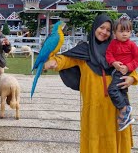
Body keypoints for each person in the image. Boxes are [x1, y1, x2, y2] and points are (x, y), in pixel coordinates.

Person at [44, 14, 138, 152]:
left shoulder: (116, 49)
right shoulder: (84, 51)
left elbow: (130, 65)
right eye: (101, 28)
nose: (104, 32)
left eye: (108, 30)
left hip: (115, 106)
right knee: (94, 136)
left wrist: (132, 78)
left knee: (114, 136)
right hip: (93, 105)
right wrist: (53, 62)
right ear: (95, 27)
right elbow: (66, 60)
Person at [105, 18, 138, 131]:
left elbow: (137, 58)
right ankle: (126, 117)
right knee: (122, 91)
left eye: (128, 31)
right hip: (117, 69)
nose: (125, 34)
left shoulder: (132, 45)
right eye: (121, 31)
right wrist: (113, 62)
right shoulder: (113, 43)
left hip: (126, 71)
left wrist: (128, 67)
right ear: (114, 33)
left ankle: (124, 109)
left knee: (112, 90)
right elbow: (109, 54)